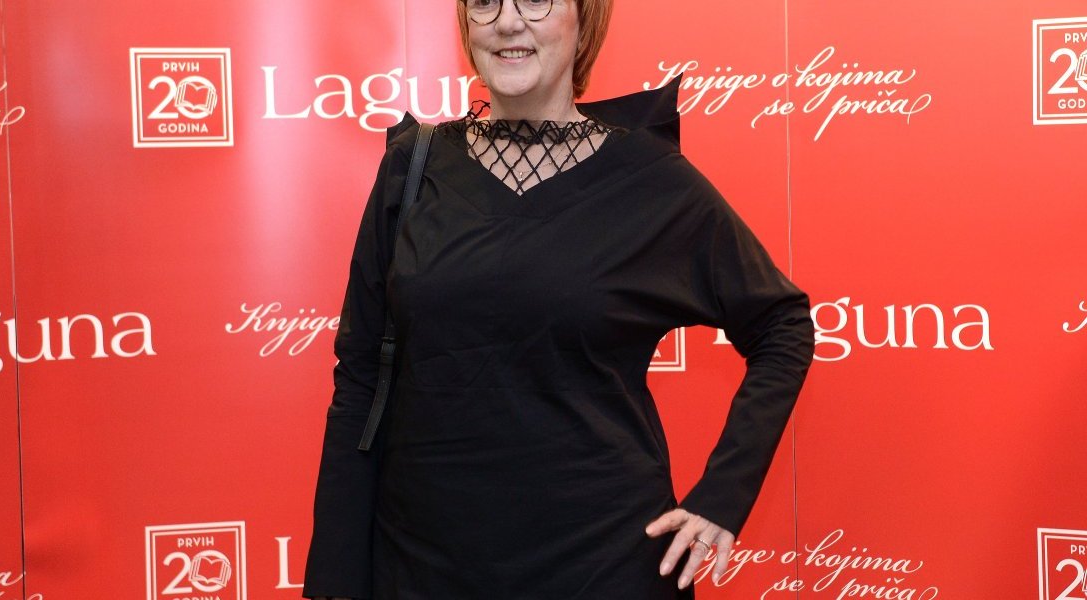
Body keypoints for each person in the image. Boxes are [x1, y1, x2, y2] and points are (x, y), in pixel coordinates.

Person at [302, 0, 815, 598]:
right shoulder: (413, 167)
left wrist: (723, 496)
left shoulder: (651, 180)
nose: (507, 21)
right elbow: (360, 375)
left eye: (537, 0)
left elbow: (781, 324)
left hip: (604, 564)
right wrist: (336, 575)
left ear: (583, 19)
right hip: (426, 565)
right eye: (484, 2)